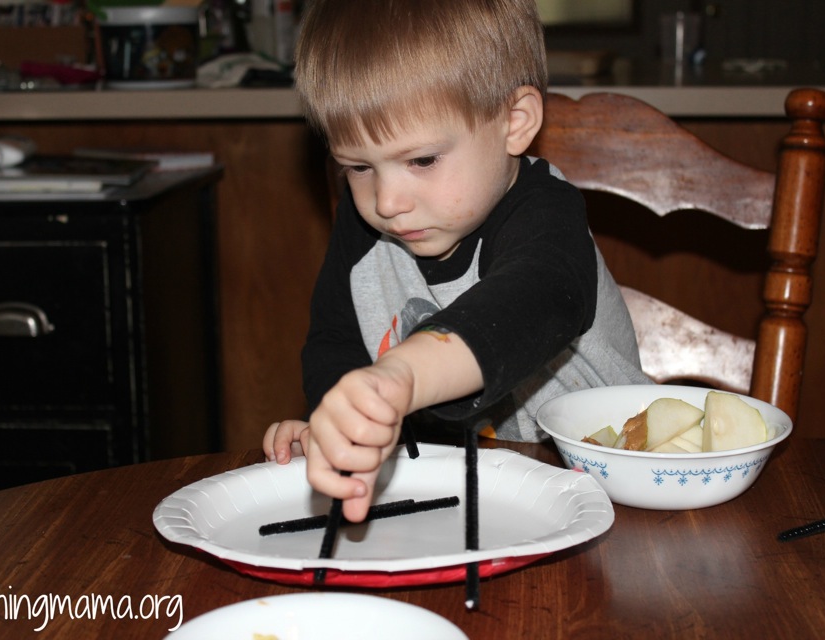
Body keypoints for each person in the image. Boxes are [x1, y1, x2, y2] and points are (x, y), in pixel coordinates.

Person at [263, 0, 651, 522]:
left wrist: (400, 375)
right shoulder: (364, 230)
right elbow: (337, 343)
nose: (386, 202)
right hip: (460, 502)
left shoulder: (545, 213)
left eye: (421, 160)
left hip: (612, 498)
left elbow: (534, 301)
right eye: (357, 166)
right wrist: (341, 429)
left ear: (515, 123)